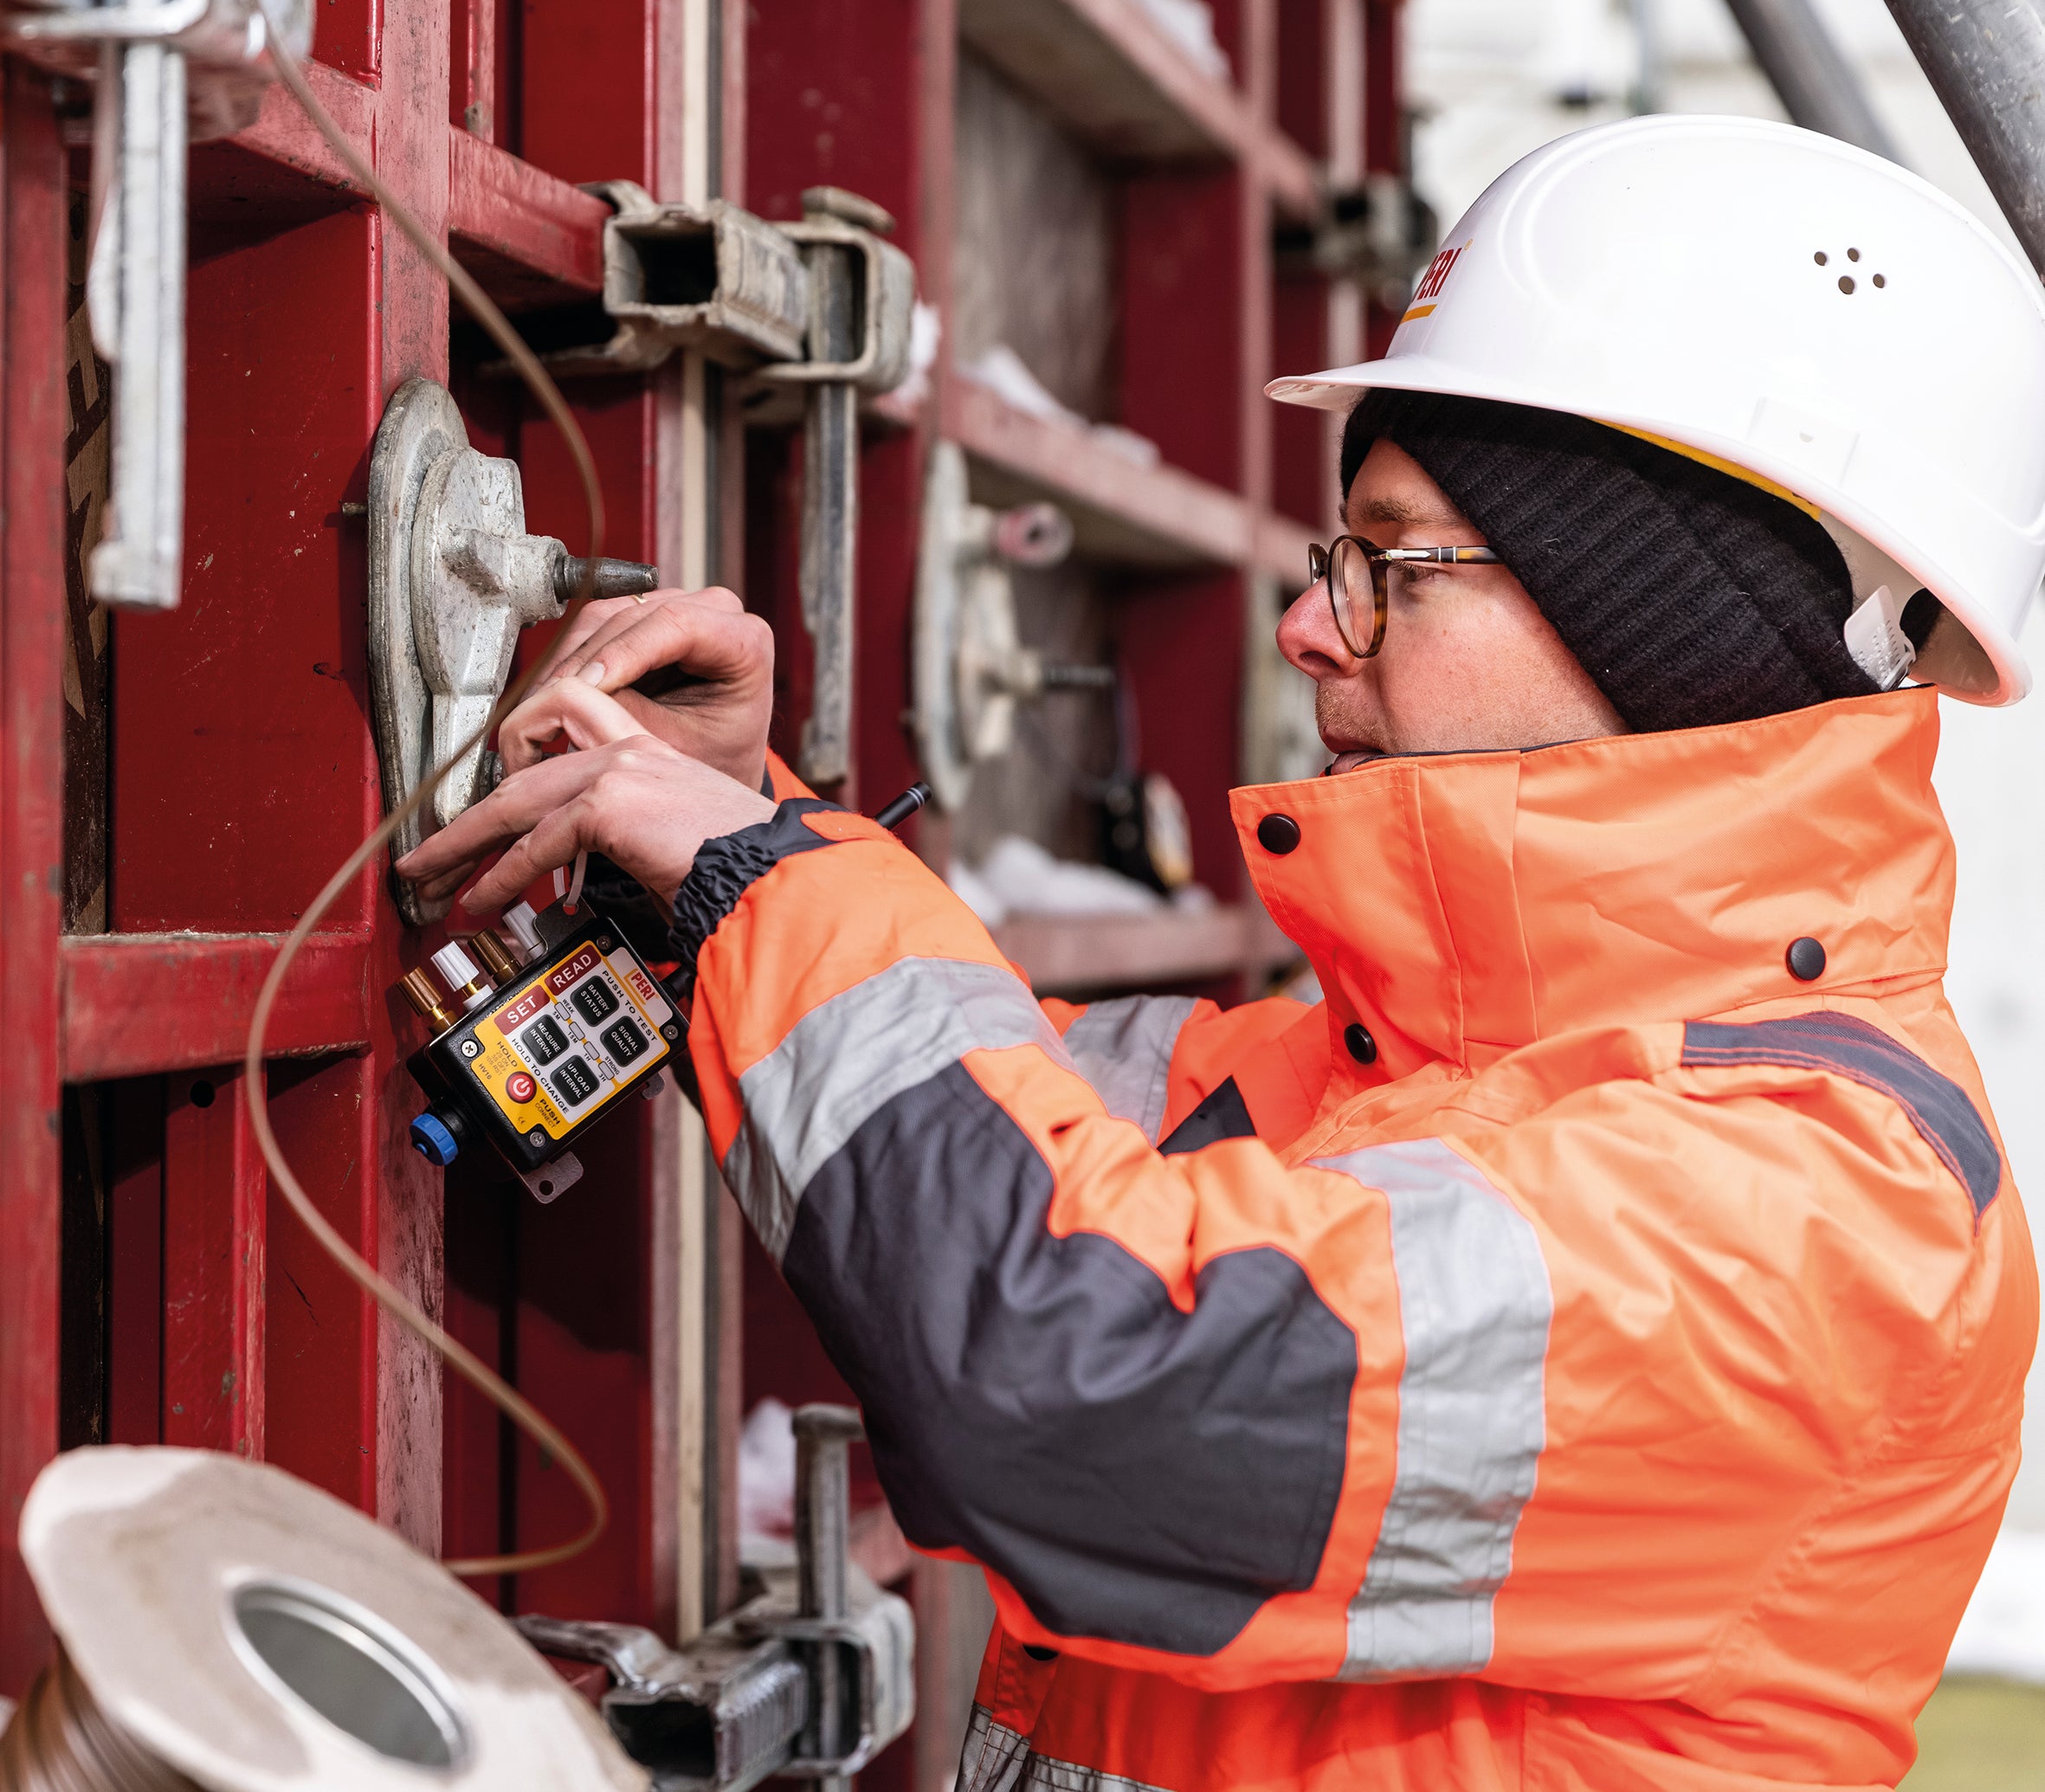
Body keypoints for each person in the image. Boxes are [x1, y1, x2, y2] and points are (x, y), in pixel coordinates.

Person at [401, 116, 2041, 1790]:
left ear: (1666, 624)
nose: (1308, 621)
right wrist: (746, 826)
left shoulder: (1815, 1216)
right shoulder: (1431, 1075)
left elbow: (1075, 1369)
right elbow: (1013, 1131)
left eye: (1387, 562)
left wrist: (772, 878)